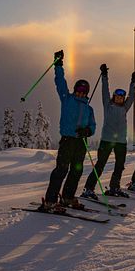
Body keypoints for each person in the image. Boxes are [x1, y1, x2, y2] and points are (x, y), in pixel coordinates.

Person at [41, 50, 96, 211]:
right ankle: (50, 200)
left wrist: (88, 131)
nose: (80, 92)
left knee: (76, 171)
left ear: (87, 93)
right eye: (78, 89)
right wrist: (58, 64)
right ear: (75, 89)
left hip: (81, 142)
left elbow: (93, 125)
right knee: (61, 169)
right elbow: (60, 82)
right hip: (67, 140)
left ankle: (67, 197)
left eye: (83, 91)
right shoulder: (67, 99)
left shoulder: (89, 108)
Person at [81, 65, 135, 199]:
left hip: (121, 142)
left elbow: (132, 96)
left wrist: (133, 82)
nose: (119, 98)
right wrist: (104, 75)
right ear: (113, 97)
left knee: (119, 166)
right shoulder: (108, 104)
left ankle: (114, 187)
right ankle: (89, 188)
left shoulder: (125, 107)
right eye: (117, 96)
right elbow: (104, 90)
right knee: (100, 165)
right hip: (107, 140)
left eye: (122, 97)